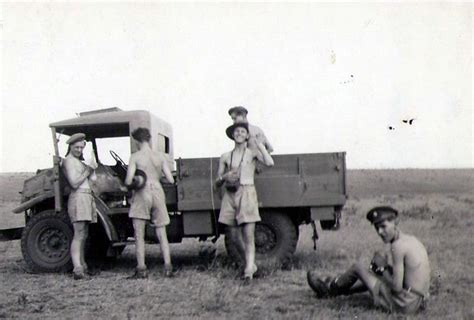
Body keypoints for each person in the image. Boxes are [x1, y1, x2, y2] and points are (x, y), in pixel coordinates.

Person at [307, 206, 431, 314]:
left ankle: (329, 289)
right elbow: (409, 275)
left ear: (396, 222)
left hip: (403, 305)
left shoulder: (397, 247)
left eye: (383, 226)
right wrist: (384, 269)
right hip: (418, 301)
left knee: (358, 267)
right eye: (377, 228)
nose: (380, 232)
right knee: (373, 274)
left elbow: (397, 287)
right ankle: (337, 288)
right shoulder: (411, 240)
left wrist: (382, 268)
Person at [215, 122, 274, 282]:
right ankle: (251, 264)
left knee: (248, 234)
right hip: (230, 194)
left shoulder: (252, 153)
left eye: (243, 131)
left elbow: (269, 163)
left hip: (247, 192)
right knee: (233, 235)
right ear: (232, 135)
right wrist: (224, 177)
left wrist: (260, 145)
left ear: (247, 135)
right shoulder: (225, 156)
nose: (239, 134)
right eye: (236, 131)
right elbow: (217, 181)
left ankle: (248, 271)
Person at [125, 127, 175, 279]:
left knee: (139, 234)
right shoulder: (160, 156)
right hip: (158, 191)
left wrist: (135, 182)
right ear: (149, 139)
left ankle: (141, 269)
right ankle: (168, 268)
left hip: (142, 192)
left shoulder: (135, 157)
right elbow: (171, 179)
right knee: (162, 233)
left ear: (137, 141)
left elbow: (128, 181)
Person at [62, 133, 98, 280]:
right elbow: (74, 183)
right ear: (70, 147)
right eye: (76, 147)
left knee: (83, 234)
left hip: (85, 197)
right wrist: (88, 170)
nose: (79, 150)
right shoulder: (69, 161)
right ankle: (77, 269)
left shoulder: (77, 161)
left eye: (81, 147)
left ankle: (82, 266)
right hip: (78, 197)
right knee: (79, 234)